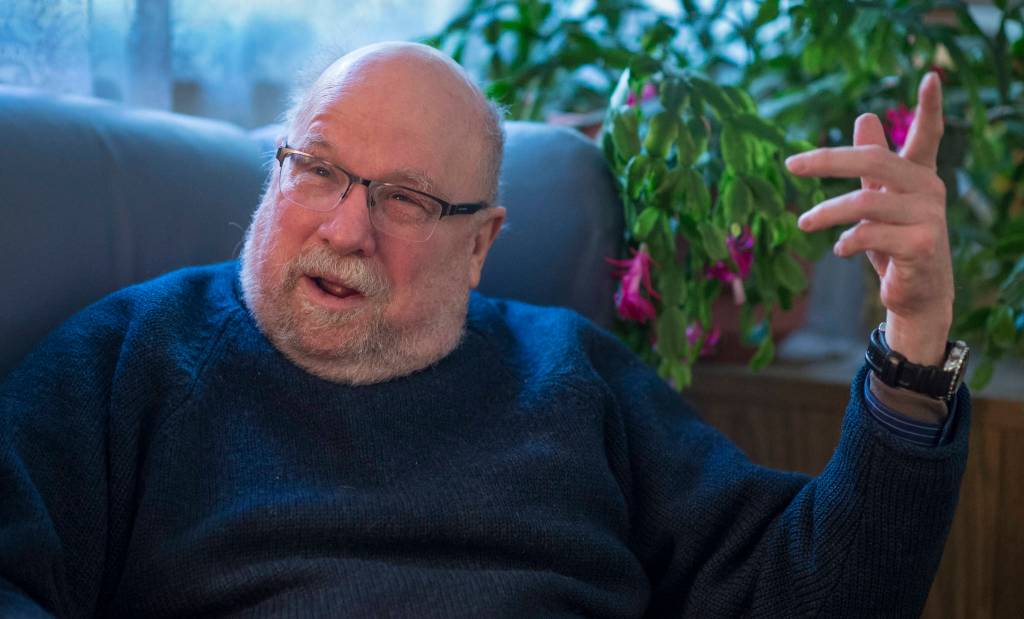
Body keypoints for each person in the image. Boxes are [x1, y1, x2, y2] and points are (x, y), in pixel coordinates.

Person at [0, 42, 970, 618]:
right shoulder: (129, 356)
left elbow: (803, 593)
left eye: (407, 198)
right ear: (275, 170)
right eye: (319, 170)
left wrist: (914, 341)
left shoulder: (570, 374)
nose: (346, 229)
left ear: (480, 244)